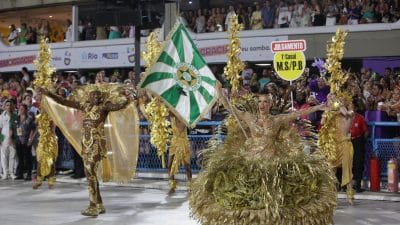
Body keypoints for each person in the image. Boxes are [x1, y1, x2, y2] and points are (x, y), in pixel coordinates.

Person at [190, 84, 337, 225]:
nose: (262, 104)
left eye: (266, 102)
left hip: (272, 161)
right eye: (260, 101)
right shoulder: (248, 117)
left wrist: (319, 107)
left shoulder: (277, 120)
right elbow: (230, 108)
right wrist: (220, 92)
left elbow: (298, 113)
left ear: (270, 104)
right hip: (251, 161)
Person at [41, 85, 132, 217]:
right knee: (91, 173)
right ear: (89, 96)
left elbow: (117, 107)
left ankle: (93, 205)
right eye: (93, 95)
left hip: (96, 145)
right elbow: (65, 102)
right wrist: (49, 93)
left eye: (98, 95)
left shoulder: (104, 107)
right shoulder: (85, 106)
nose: (96, 97)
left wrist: (127, 99)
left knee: (89, 171)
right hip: (86, 145)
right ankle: (99, 203)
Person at [319, 94, 355, 204]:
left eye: (341, 100)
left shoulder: (350, 113)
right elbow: (322, 123)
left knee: (347, 170)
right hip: (333, 145)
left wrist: (336, 104)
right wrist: (328, 112)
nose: (338, 102)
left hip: (345, 144)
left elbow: (346, 113)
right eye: (337, 100)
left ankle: (350, 196)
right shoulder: (330, 114)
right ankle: (332, 196)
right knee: (331, 170)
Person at [167, 115, 192, 194]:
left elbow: (181, 128)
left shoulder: (184, 118)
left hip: (183, 144)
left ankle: (190, 187)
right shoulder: (171, 117)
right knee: (170, 165)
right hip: (174, 143)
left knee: (186, 166)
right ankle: (172, 187)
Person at [0, 100, 18, 180]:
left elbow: (17, 128)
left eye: (10, 105)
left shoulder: (15, 116)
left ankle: (11, 173)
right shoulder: (2, 116)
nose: (9, 107)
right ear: (5, 106)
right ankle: (5, 173)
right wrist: (0, 139)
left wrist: (15, 138)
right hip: (4, 138)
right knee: (4, 156)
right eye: (7, 105)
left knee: (12, 155)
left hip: (13, 138)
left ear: (12, 106)